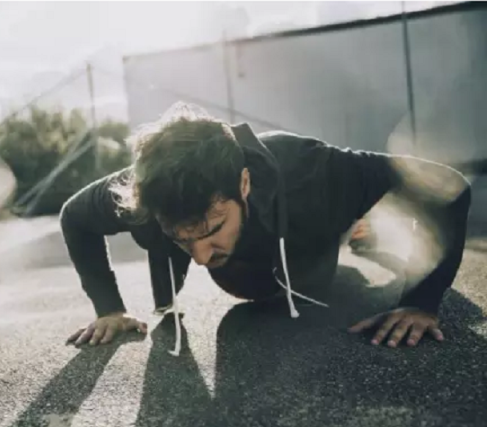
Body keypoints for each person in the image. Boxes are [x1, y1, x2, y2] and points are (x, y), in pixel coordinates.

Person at [60, 103, 471, 352]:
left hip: (311, 250)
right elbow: (74, 217)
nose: (200, 258)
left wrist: (422, 302)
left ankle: (364, 227)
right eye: (181, 239)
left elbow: (450, 188)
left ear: (243, 183)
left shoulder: (314, 171)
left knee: (343, 234)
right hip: (256, 272)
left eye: (211, 230)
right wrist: (109, 309)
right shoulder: (143, 194)